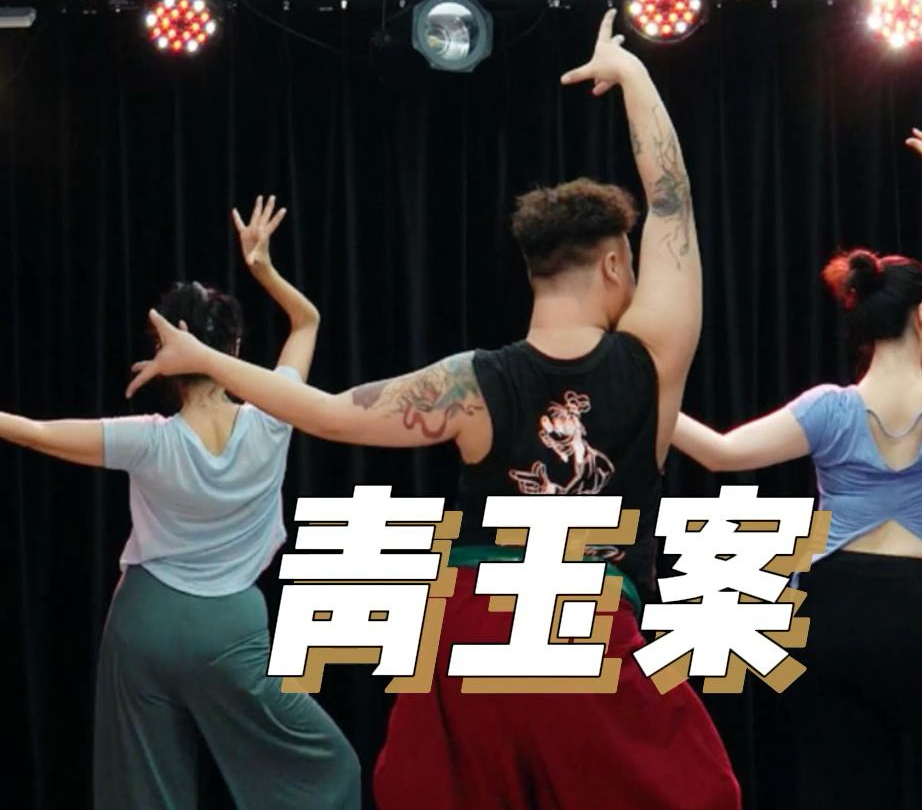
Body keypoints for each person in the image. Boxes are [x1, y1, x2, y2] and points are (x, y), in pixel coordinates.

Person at [124, 11, 741, 810]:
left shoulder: (470, 384)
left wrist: (209, 360)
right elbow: (671, 201)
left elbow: (325, 412)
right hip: (587, 626)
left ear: (533, 271)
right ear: (618, 263)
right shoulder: (652, 356)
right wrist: (632, 74)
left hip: (475, 636)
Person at [671, 96, 922, 808]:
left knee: (844, 792)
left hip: (826, 612)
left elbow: (718, 452)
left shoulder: (829, 408)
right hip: (914, 612)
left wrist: (648, 397)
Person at [1, 196, 362, 809]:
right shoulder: (276, 414)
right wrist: (264, 269)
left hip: (145, 623)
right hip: (231, 630)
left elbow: (34, 432)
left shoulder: (147, 440)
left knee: (143, 793)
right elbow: (306, 323)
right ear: (235, 347)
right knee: (328, 769)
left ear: (166, 360)